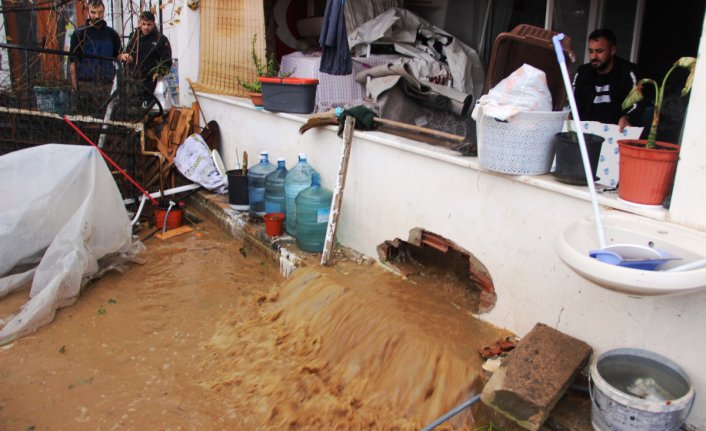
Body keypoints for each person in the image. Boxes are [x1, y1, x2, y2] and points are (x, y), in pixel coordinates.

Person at [572, 29, 642, 131]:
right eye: (591, 51)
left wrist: (627, 118)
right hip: (586, 133)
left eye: (599, 51)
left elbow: (638, 103)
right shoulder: (583, 72)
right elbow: (573, 101)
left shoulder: (628, 72)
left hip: (617, 133)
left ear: (612, 50)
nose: (593, 56)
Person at [68, 0, 121, 110]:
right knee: (86, 117)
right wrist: (74, 86)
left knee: (106, 119)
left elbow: (117, 56)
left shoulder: (112, 34)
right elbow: (72, 61)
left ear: (104, 12)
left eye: (100, 12)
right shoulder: (80, 33)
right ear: (88, 11)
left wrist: (124, 56)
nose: (97, 16)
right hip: (86, 83)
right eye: (93, 12)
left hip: (106, 84)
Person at [118, 11, 172, 106]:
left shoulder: (160, 40)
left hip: (150, 83)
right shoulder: (134, 37)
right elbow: (126, 53)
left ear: (153, 24)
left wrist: (158, 73)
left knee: (147, 109)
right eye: (143, 24)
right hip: (132, 80)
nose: (146, 27)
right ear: (139, 23)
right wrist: (126, 57)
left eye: (149, 24)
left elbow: (167, 62)